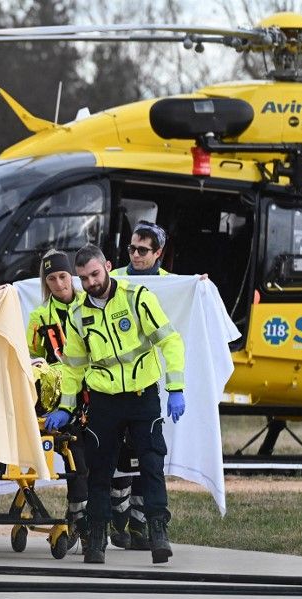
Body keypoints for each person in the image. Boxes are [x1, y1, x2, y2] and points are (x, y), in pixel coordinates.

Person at [44, 243, 185, 564]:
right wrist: (66, 406)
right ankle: (97, 539)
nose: (91, 282)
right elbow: (74, 367)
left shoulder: (137, 299)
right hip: (104, 402)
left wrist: (176, 387)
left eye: (95, 274)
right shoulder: (79, 316)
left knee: (151, 464)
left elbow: (170, 340)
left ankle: (157, 530)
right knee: (99, 471)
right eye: (84, 278)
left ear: (107, 266)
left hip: (141, 396)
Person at [107, 220, 170, 551]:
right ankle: (118, 522)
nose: (135, 255)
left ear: (158, 253)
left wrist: (199, 287)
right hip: (112, 389)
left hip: (146, 387)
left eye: (143, 250)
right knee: (118, 459)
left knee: (149, 461)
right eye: (131, 248)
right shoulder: (114, 278)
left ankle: (143, 526)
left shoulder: (171, 285)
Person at [26, 250, 89, 550]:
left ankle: (86, 520)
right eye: (51, 279)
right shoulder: (41, 317)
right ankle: (78, 521)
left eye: (63, 276)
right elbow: (32, 355)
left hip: (89, 392)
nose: (59, 284)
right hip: (57, 397)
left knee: (89, 462)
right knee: (73, 456)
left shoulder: (89, 304)